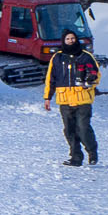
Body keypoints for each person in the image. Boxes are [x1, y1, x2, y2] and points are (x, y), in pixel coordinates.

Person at [43, 29, 101, 166]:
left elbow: (96, 75)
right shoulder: (57, 57)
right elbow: (50, 78)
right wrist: (47, 97)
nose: (70, 41)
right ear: (63, 41)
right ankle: (76, 157)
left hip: (83, 99)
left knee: (83, 127)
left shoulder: (85, 56)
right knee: (69, 129)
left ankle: (92, 151)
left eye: (73, 38)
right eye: (68, 39)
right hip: (65, 100)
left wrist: (89, 83)